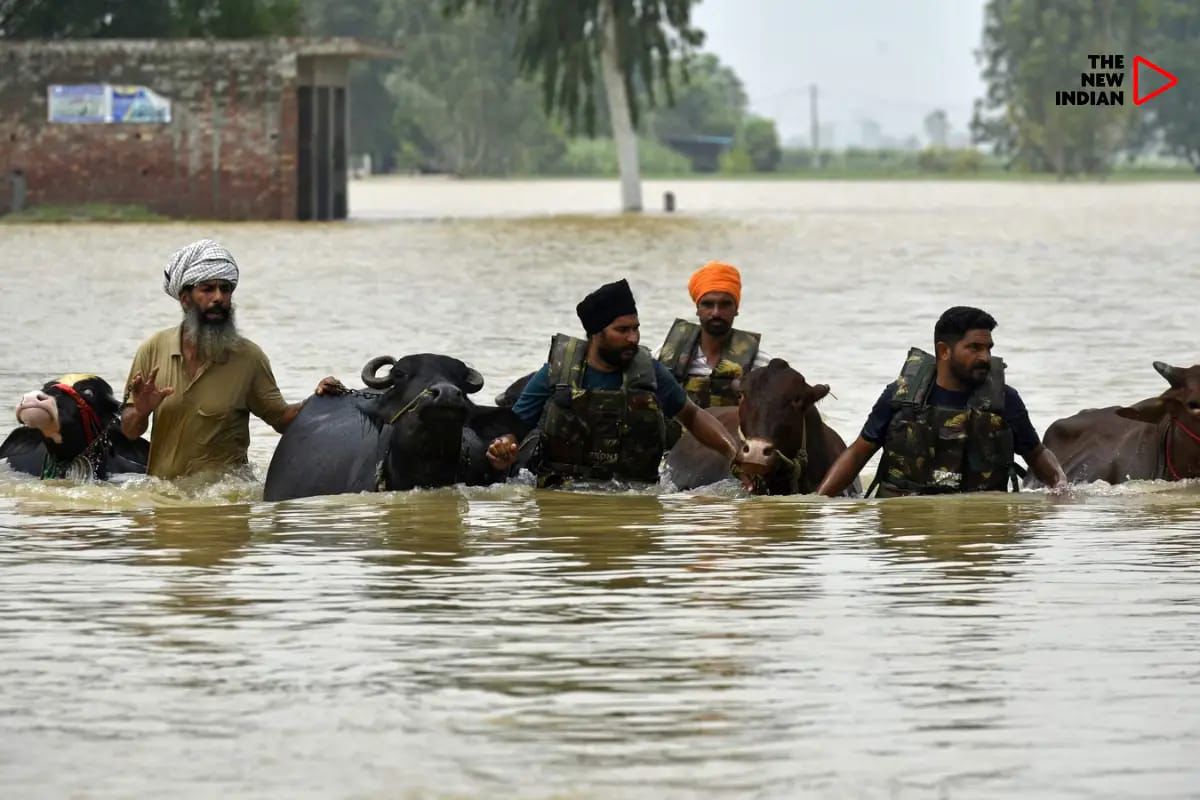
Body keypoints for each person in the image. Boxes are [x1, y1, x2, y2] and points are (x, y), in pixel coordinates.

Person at [120, 239, 345, 480]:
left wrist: (319, 400)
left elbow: (282, 420)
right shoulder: (153, 350)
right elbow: (129, 432)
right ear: (185, 299)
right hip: (163, 497)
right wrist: (141, 411)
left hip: (228, 497)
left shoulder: (249, 358)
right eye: (208, 289)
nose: (219, 297)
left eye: (225, 289)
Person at [486, 278, 742, 486]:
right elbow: (514, 426)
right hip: (563, 491)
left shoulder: (650, 371)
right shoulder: (556, 372)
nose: (633, 338)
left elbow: (693, 416)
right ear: (596, 333)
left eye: (636, 328)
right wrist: (503, 449)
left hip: (634, 491)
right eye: (622, 330)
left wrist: (734, 453)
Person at [816, 306, 1067, 497]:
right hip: (907, 527)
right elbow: (859, 452)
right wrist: (820, 502)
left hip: (978, 527)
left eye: (988, 348)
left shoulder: (1005, 401)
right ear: (944, 351)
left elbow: (1036, 453)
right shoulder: (899, 397)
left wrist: (1062, 490)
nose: (985, 357)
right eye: (975, 348)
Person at [655, 260, 772, 409]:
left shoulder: (761, 364)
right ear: (697, 309)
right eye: (708, 304)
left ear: (736, 309)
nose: (716, 313)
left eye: (725, 304)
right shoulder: (663, 357)